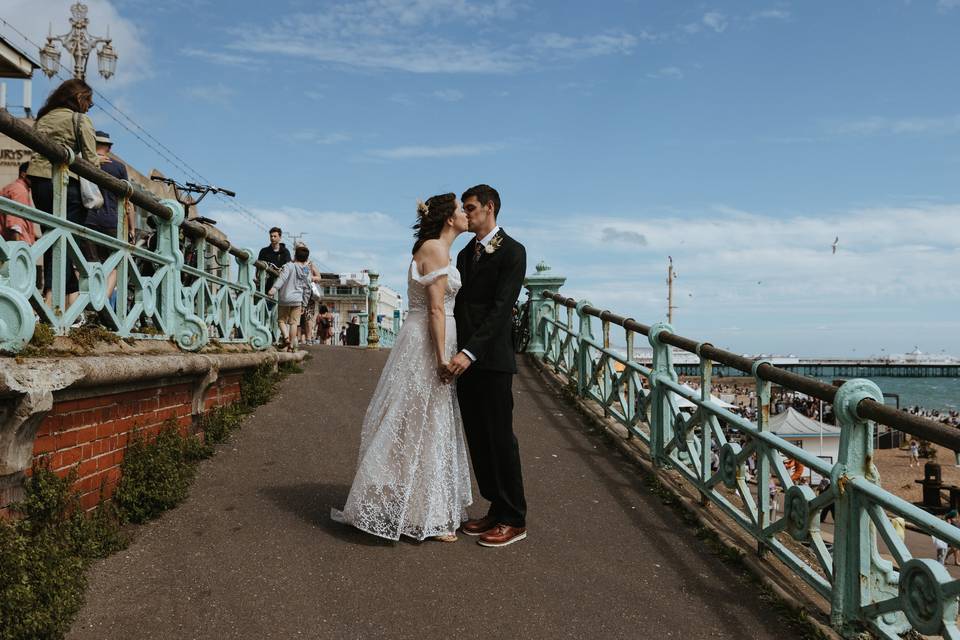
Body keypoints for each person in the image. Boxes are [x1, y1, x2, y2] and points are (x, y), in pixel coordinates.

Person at [333, 193, 471, 542]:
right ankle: (426, 513)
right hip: (428, 340)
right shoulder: (436, 250)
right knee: (422, 419)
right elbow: (436, 309)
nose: (466, 214)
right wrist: (441, 357)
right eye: (461, 210)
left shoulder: (434, 248)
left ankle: (421, 507)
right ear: (448, 218)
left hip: (427, 335)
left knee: (421, 419)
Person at [445, 184, 528, 547]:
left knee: (500, 437)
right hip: (464, 360)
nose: (466, 213)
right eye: (463, 208)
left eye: (471, 207)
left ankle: (514, 517)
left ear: (490, 208)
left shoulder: (512, 251)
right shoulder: (465, 254)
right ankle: (494, 507)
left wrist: (471, 351)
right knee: (477, 437)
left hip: (491, 359)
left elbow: (500, 310)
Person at [26, 79, 102, 307]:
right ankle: (56, 304)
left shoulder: (43, 118)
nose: (90, 106)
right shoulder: (79, 119)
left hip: (39, 182)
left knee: (53, 238)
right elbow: (91, 162)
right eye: (89, 101)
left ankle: (57, 302)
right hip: (66, 185)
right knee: (67, 242)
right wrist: (100, 161)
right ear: (80, 99)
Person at [83, 130, 136, 300]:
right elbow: (128, 202)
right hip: (112, 221)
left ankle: (87, 302)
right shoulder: (118, 167)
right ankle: (102, 302)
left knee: (90, 263)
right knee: (114, 265)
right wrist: (132, 229)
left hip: (88, 218)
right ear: (109, 147)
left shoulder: (85, 162)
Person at [268, 244, 317, 351]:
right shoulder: (306, 271)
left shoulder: (289, 266)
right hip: (298, 300)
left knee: (281, 320)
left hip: (285, 298)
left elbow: (282, 278)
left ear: (295, 255)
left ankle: (286, 338)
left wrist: (274, 289)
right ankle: (291, 346)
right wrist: (304, 303)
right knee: (294, 323)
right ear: (306, 258)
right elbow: (307, 288)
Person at [0, 162, 39, 244]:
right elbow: (15, 222)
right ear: (23, 174)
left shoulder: (12, 187)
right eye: (34, 176)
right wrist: (17, 249)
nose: (37, 179)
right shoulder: (20, 190)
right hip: (20, 245)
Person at [258, 227, 291, 292]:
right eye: (271, 236)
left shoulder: (285, 252)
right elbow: (258, 267)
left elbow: (288, 268)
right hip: (265, 285)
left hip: (280, 286)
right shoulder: (264, 251)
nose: (272, 238)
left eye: (275, 236)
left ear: (280, 237)